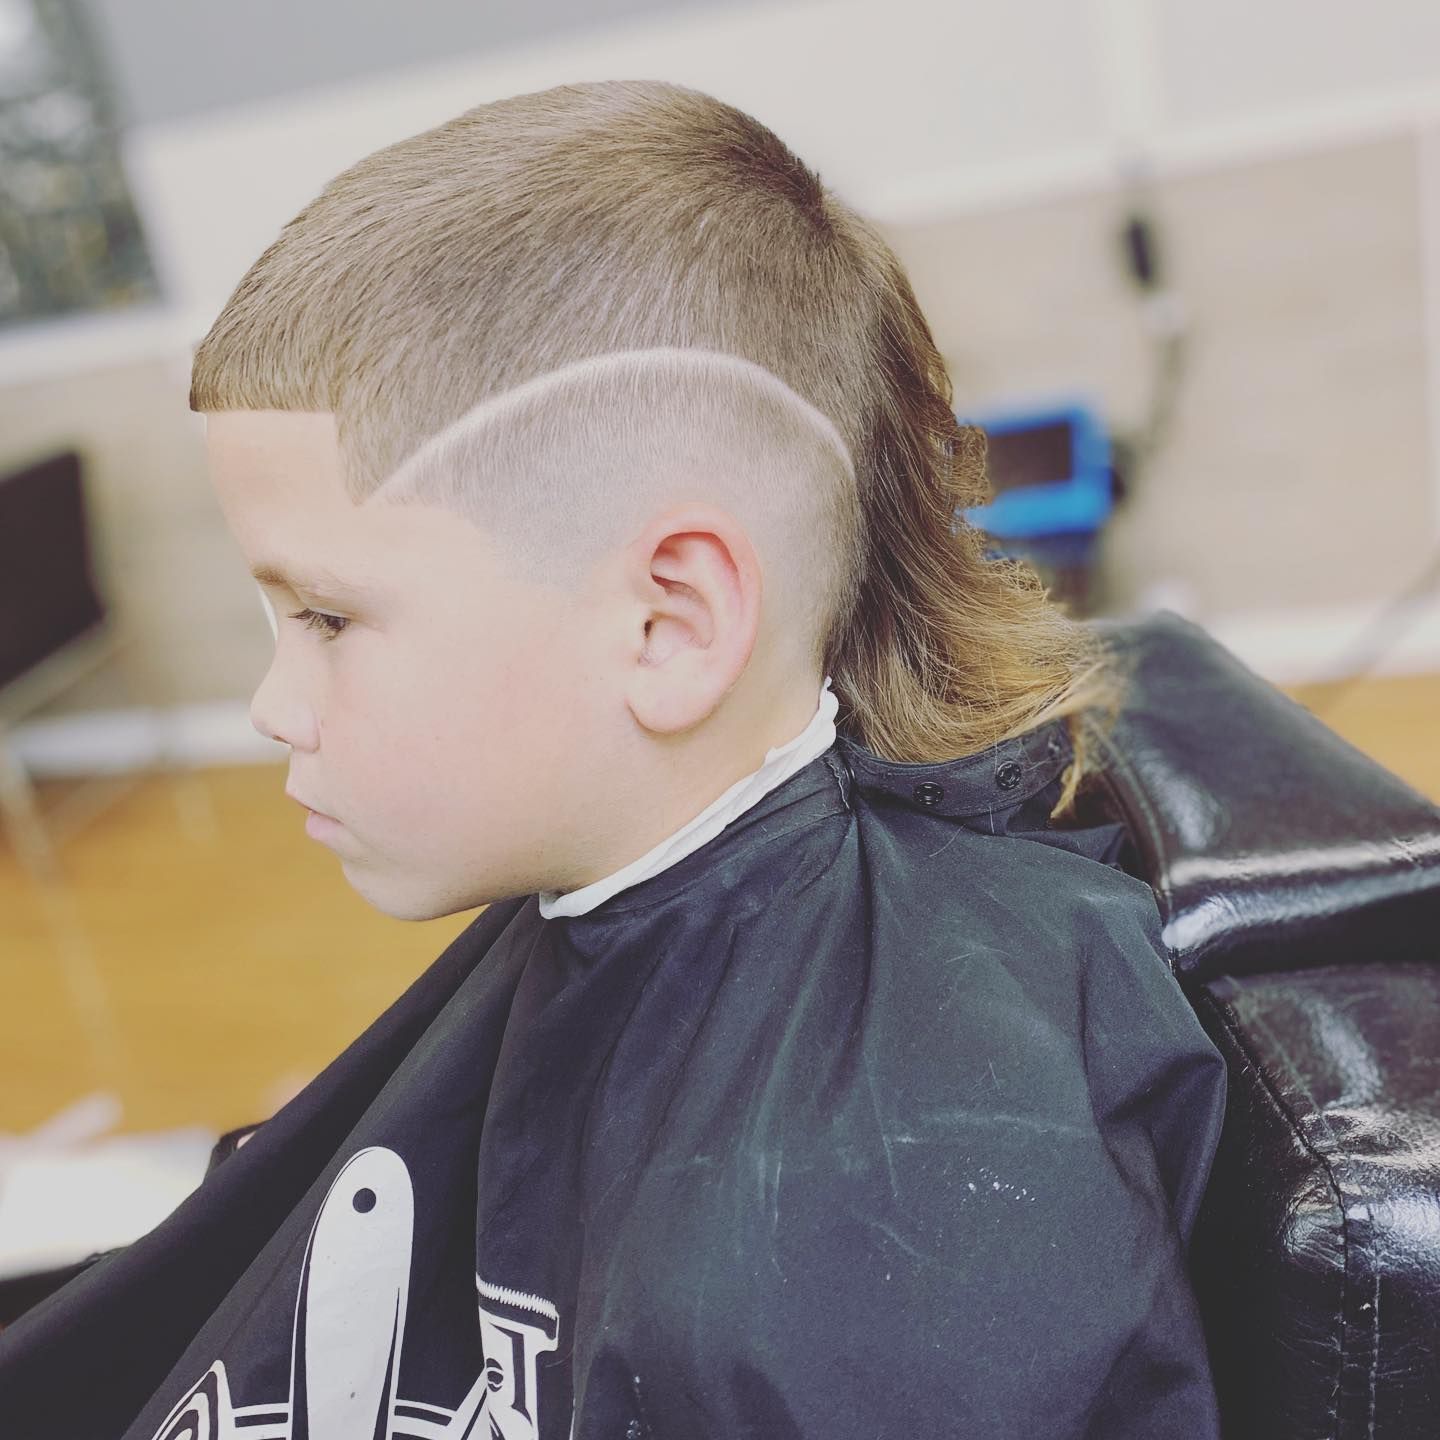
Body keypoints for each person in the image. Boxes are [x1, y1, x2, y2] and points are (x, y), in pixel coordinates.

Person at [0, 78, 1227, 1438]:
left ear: (669, 622)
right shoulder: (628, 889)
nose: (272, 707)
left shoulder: (846, 1288)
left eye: (328, 619)